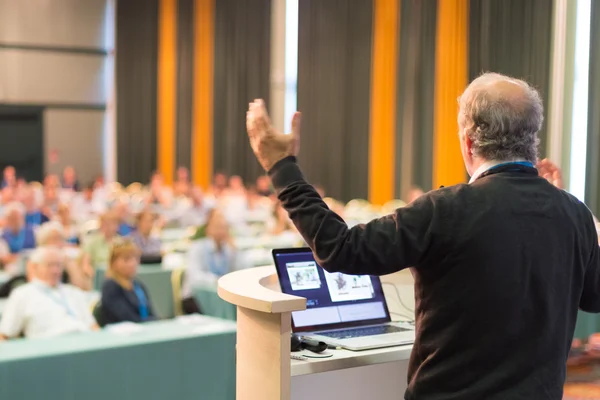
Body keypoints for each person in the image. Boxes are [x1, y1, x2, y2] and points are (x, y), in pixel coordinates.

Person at [246, 73, 600, 400]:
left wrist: (282, 168)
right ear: (532, 139)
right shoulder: (573, 214)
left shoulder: (445, 210)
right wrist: (560, 208)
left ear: (468, 140)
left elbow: (342, 249)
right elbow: (593, 296)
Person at [0, 246, 97, 339]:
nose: (55, 270)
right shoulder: (22, 294)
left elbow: (93, 327)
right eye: (49, 265)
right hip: (49, 348)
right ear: (35, 267)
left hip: (84, 343)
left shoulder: (73, 292)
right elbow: (5, 334)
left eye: (58, 265)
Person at [182, 210, 241, 314]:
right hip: (195, 297)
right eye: (217, 226)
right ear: (208, 229)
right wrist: (216, 280)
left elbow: (239, 271)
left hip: (218, 296)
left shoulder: (227, 249)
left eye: (224, 227)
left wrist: (234, 250)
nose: (221, 230)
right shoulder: (197, 247)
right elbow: (195, 277)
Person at [100, 239, 155, 324]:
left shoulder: (138, 285)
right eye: (126, 259)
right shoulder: (110, 286)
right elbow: (129, 318)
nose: (132, 263)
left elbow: (151, 313)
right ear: (113, 262)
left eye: (135, 259)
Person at [36, 221, 90, 291]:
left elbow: (82, 287)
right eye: (54, 239)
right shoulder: (36, 259)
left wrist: (70, 265)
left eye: (60, 239)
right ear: (43, 241)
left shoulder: (68, 258)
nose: (58, 243)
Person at [0, 202, 36, 268]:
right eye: (11, 218)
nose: (14, 221)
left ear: (23, 217)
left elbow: (38, 254)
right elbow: (4, 258)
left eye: (16, 218)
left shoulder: (34, 231)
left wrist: (14, 257)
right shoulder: (2, 235)